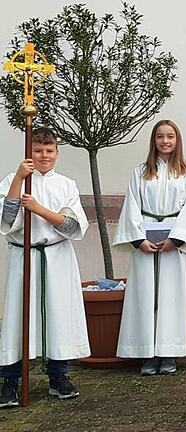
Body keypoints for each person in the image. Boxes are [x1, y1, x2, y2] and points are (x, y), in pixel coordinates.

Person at [0, 127, 90, 407]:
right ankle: (10, 380)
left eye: (49, 150)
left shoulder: (66, 185)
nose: (44, 156)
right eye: (38, 150)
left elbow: (73, 226)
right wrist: (18, 179)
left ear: (57, 152)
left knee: (58, 317)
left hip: (56, 256)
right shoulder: (12, 180)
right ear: (29, 153)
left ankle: (58, 376)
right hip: (23, 256)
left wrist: (38, 208)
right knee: (18, 318)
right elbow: (6, 219)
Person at [113, 120, 186, 376]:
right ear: (153, 141)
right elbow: (132, 204)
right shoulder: (141, 172)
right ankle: (147, 353)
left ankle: (168, 352)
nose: (165, 141)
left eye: (170, 137)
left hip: (173, 246)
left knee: (171, 296)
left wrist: (175, 239)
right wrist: (138, 239)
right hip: (146, 241)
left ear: (178, 140)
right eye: (160, 137)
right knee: (145, 296)